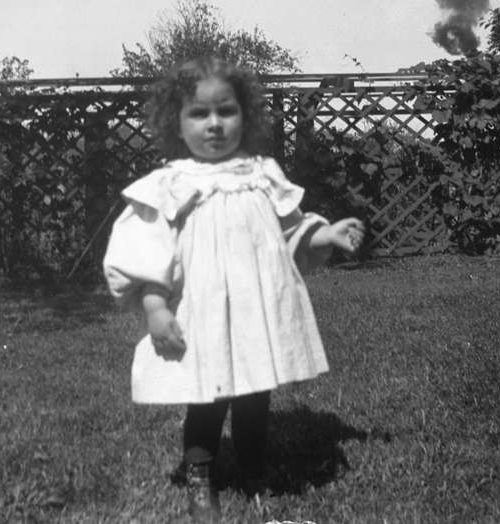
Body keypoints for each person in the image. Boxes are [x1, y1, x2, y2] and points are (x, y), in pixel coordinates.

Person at [103, 55, 365, 522]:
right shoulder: (171, 184)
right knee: (207, 395)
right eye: (199, 114)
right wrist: (155, 307)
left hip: (254, 309)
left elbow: (291, 230)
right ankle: (200, 475)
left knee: (254, 391)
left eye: (226, 111)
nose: (215, 124)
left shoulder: (261, 174)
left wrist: (325, 235)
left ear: (245, 115)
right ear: (176, 123)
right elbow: (147, 251)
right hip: (202, 311)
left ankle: (254, 470)